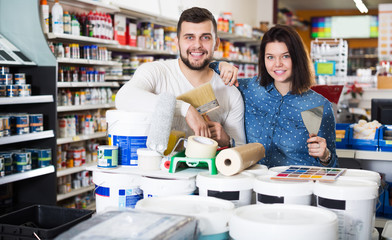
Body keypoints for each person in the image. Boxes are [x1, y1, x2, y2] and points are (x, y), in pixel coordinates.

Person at [115, 7, 245, 147]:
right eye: (189, 37)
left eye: (205, 37)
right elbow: (123, 97)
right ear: (177, 42)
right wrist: (185, 109)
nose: (197, 45)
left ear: (216, 44)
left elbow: (241, 149)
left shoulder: (230, 92)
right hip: (156, 167)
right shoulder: (156, 72)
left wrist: (228, 141)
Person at [211, 24, 337, 167]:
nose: (277, 64)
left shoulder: (318, 105)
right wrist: (221, 65)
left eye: (285, 56)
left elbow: (333, 166)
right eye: (270, 57)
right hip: (255, 184)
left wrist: (325, 155)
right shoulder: (249, 89)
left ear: (297, 58)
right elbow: (205, 70)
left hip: (298, 185)